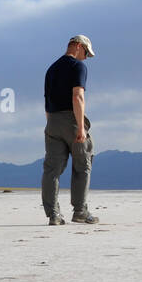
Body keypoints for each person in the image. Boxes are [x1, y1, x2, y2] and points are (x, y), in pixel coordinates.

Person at [41, 34, 99, 225]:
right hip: (71, 120)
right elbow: (77, 96)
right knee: (83, 165)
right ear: (77, 46)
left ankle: (53, 215)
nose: (85, 57)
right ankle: (80, 211)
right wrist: (81, 127)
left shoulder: (51, 69)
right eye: (86, 52)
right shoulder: (78, 66)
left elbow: (47, 101)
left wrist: (50, 124)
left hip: (52, 121)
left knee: (52, 170)